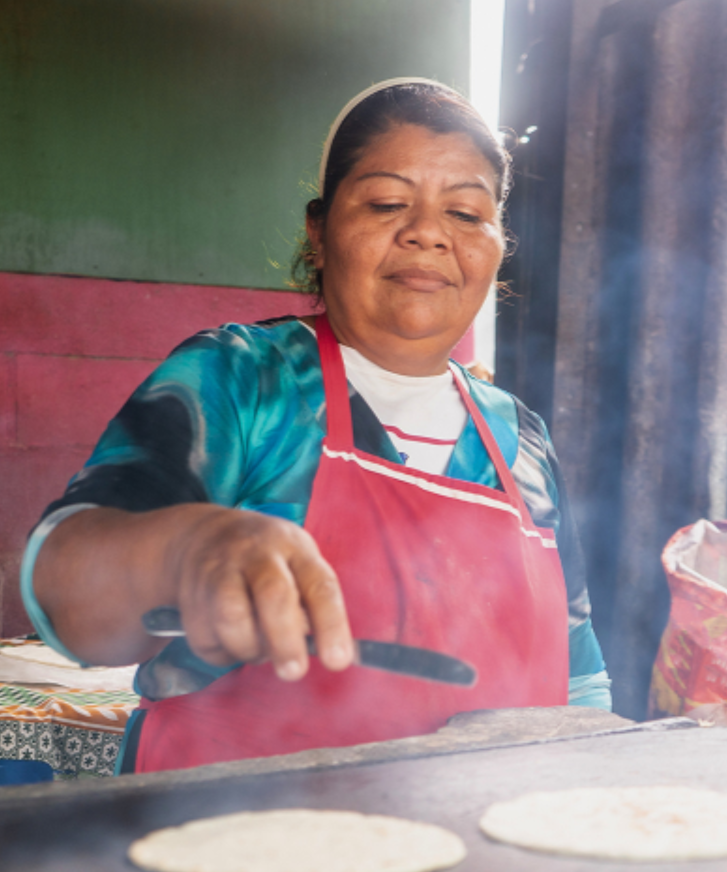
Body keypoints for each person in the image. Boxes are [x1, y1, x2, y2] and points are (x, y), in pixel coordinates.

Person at [22, 79, 609, 774]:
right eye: (389, 202)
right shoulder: (244, 379)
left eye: (466, 213)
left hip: (478, 862)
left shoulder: (523, 442)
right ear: (319, 231)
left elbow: (579, 678)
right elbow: (65, 590)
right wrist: (183, 551)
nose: (428, 231)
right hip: (224, 852)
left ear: (497, 246)